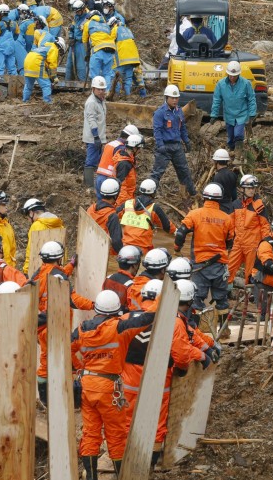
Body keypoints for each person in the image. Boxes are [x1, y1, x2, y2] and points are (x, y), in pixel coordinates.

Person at [120, 279, 215, 467]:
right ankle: (148, 467)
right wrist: (187, 366)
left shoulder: (127, 317)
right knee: (156, 421)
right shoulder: (174, 320)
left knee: (126, 418)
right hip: (157, 377)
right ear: (187, 301)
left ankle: (124, 462)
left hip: (128, 377)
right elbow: (180, 354)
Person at [72, 291, 156, 479]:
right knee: (116, 435)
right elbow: (148, 319)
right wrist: (159, 297)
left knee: (91, 433)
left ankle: (91, 477)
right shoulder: (119, 327)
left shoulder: (81, 329)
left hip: (87, 385)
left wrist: (79, 367)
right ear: (116, 310)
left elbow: (65, 348)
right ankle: (122, 476)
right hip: (109, 388)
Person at [32, 241, 91, 404]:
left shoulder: (38, 274)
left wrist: (71, 266)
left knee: (47, 361)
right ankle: (67, 398)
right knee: (63, 359)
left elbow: (57, 275)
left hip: (43, 326)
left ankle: (45, 400)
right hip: (57, 325)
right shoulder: (58, 275)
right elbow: (72, 299)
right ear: (59, 258)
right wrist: (94, 305)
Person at [175, 183, 236, 316]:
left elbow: (180, 233)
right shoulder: (227, 219)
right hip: (219, 265)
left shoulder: (195, 214)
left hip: (200, 265)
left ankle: (196, 332)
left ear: (204, 198)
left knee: (196, 299)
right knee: (221, 300)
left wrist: (177, 249)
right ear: (220, 199)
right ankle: (223, 333)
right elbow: (230, 242)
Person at [150, 85, 197, 197]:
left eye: (176, 98)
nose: (175, 100)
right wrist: (160, 145)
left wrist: (186, 141)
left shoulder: (179, 111)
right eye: (172, 98)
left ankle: (192, 194)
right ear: (166, 98)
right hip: (165, 147)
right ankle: (148, 195)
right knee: (157, 173)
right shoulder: (159, 113)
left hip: (177, 147)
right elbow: (157, 131)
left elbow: (182, 128)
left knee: (184, 171)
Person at [228, 174, 269, 287]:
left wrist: (265, 243)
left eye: (253, 188)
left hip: (252, 245)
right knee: (229, 268)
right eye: (249, 188)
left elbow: (265, 225)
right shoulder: (235, 204)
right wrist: (228, 239)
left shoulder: (258, 205)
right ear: (242, 189)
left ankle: (249, 295)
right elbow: (230, 224)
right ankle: (225, 292)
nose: (252, 190)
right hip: (238, 243)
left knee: (250, 272)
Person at [210, 61, 257, 153]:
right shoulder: (221, 84)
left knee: (238, 135)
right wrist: (214, 115)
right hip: (229, 115)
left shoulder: (246, 83)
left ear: (238, 74)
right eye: (230, 75)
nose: (232, 77)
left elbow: (251, 99)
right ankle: (232, 150)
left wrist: (252, 113)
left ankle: (238, 154)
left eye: (234, 76)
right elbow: (216, 100)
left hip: (241, 114)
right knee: (231, 137)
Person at [95, 124, 140, 201]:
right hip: (110, 181)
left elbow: (100, 159)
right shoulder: (121, 148)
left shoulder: (110, 144)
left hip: (99, 178)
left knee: (101, 205)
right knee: (110, 207)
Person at [21, 198, 65, 275]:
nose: (28, 219)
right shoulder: (59, 225)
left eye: (28, 216)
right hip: (58, 269)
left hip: (40, 271)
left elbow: (31, 251)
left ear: (31, 213)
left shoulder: (36, 226)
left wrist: (26, 271)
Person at [23, 37, 66, 104]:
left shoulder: (45, 46)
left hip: (27, 60)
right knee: (46, 85)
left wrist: (49, 74)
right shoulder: (54, 49)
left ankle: (25, 100)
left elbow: (45, 62)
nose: (59, 53)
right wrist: (54, 77)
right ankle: (47, 102)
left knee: (28, 85)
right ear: (60, 47)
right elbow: (52, 64)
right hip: (36, 63)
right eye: (60, 51)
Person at [83, 76, 109, 187]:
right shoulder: (91, 102)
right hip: (93, 137)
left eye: (103, 89)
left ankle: (98, 183)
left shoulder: (101, 100)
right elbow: (91, 119)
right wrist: (96, 136)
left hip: (99, 136)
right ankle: (88, 185)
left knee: (99, 160)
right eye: (99, 89)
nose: (101, 91)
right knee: (91, 161)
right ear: (93, 89)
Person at [87, 178, 125, 254]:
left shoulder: (91, 208)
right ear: (116, 195)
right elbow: (116, 242)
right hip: (105, 254)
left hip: (90, 248)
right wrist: (123, 254)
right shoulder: (112, 216)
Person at [83, 11, 117, 89]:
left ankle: (95, 92)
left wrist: (87, 53)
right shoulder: (106, 25)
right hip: (111, 49)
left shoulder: (88, 23)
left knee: (95, 73)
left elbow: (84, 41)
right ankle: (106, 92)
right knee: (107, 73)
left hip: (98, 50)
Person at [112, 18, 142, 97]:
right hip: (133, 60)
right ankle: (128, 96)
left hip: (122, 59)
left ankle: (116, 95)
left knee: (116, 77)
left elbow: (110, 42)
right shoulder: (128, 30)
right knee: (128, 79)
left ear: (113, 24)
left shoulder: (115, 29)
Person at [113, 134, 144, 206]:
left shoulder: (127, 160)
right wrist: (125, 204)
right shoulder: (125, 164)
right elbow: (121, 187)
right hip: (123, 201)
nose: (139, 151)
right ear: (134, 148)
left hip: (128, 198)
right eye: (138, 148)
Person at [66, 0, 89, 81]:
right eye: (75, 12)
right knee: (69, 63)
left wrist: (78, 38)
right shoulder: (76, 17)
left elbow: (87, 34)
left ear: (83, 9)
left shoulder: (88, 18)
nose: (76, 13)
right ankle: (68, 81)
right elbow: (72, 28)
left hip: (81, 44)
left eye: (78, 11)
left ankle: (82, 83)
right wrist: (71, 37)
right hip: (74, 43)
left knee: (81, 65)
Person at [209, 150, 238, 214]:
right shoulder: (233, 174)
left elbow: (214, 197)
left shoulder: (217, 177)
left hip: (220, 208)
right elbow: (234, 194)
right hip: (230, 207)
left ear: (217, 162)